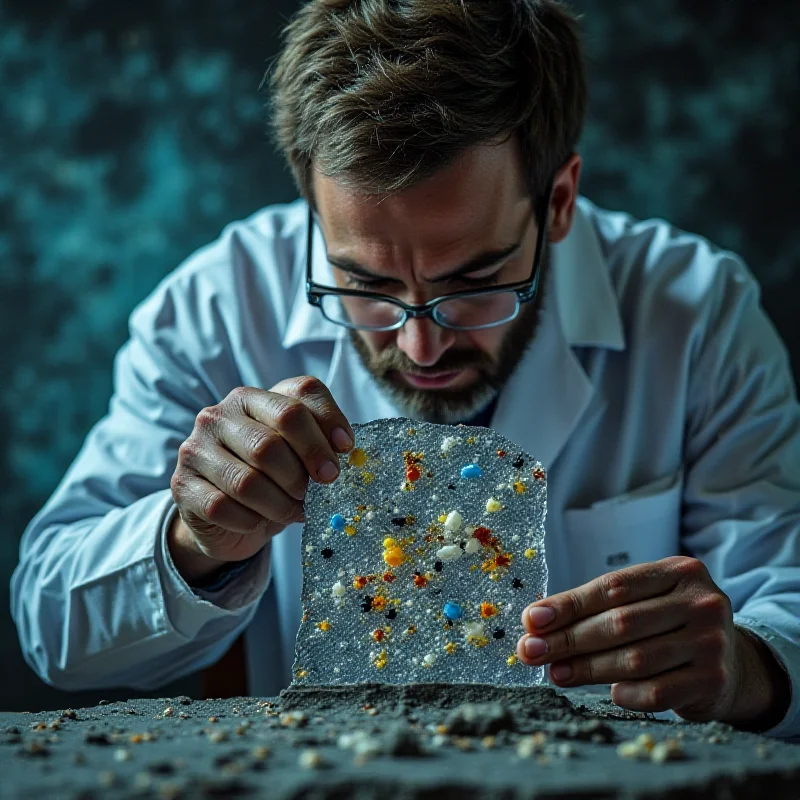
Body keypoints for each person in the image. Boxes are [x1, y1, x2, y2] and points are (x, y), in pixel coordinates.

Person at [11, 0, 800, 738]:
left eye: (475, 282)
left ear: (558, 199)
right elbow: (52, 627)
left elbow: (784, 589)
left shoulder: (698, 312)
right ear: (312, 208)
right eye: (364, 285)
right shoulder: (214, 311)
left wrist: (747, 668)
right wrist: (193, 540)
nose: (420, 348)